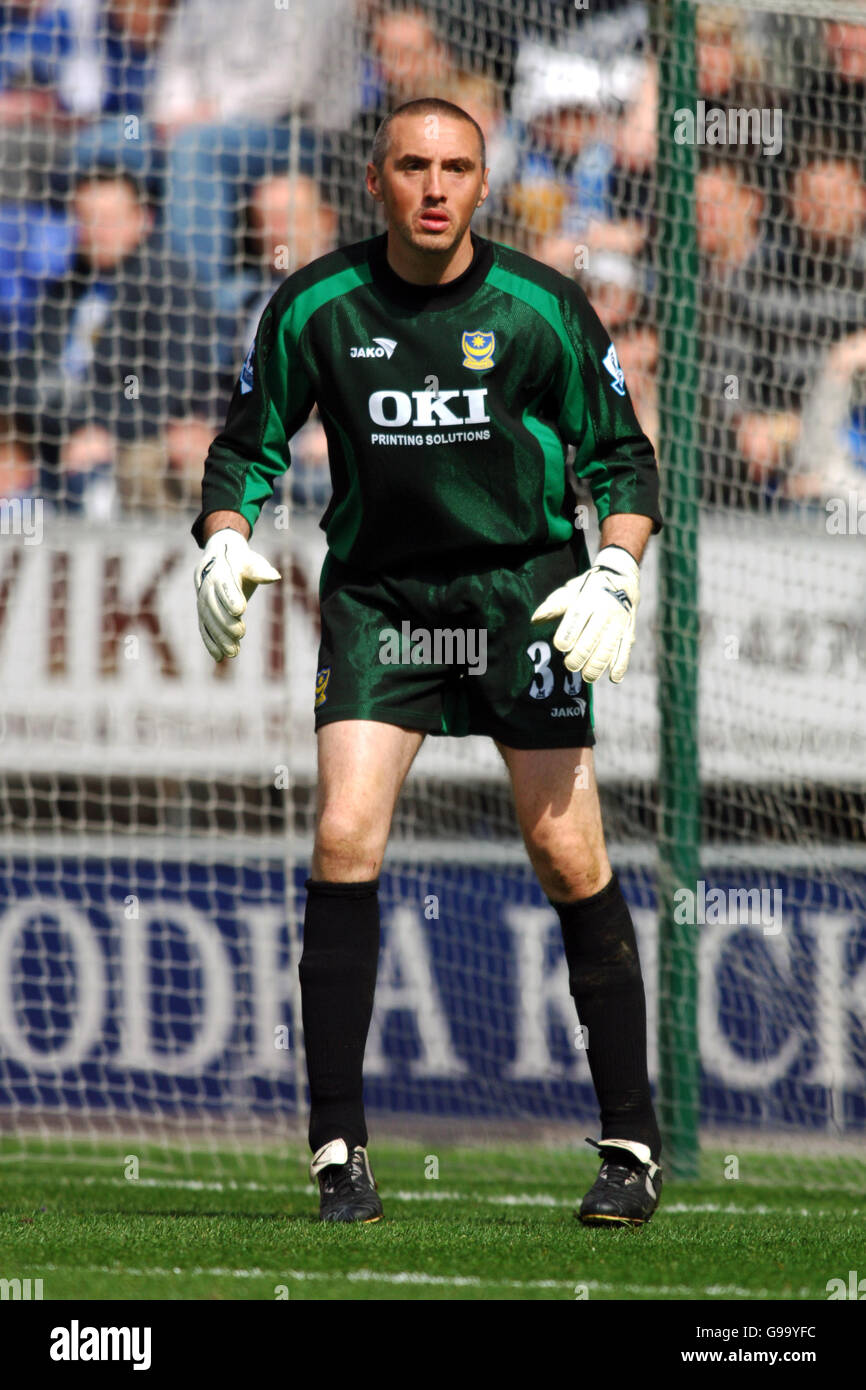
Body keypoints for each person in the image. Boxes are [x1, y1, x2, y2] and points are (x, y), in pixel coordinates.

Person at [190, 97, 664, 1228]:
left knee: (565, 850)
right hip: (381, 601)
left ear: (483, 185)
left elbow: (625, 462)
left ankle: (631, 1148)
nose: (434, 185)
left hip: (523, 594)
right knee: (343, 836)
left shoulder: (542, 307)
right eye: (413, 165)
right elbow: (243, 447)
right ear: (377, 180)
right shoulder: (314, 304)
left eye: (456, 166)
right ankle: (337, 1151)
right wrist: (220, 540)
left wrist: (613, 572)